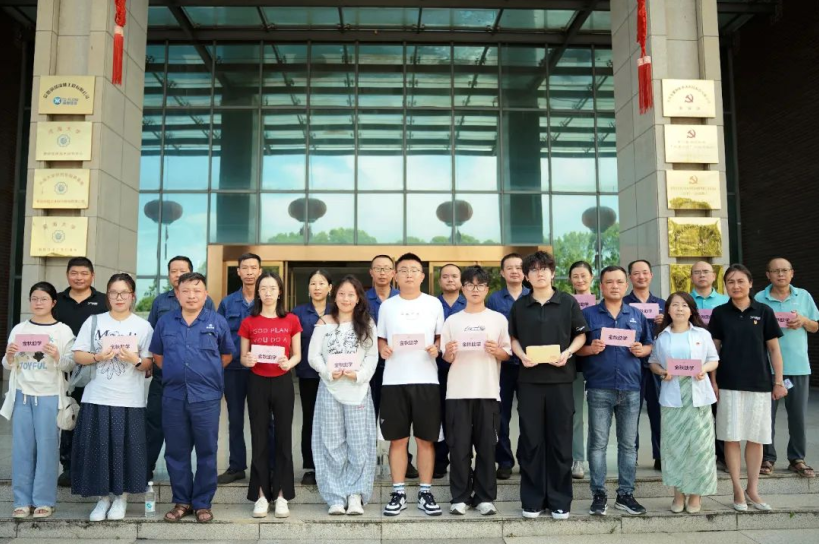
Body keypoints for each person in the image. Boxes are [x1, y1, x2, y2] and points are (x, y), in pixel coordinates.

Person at [508, 251, 588, 519]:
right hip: (529, 382)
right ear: (527, 276)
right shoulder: (520, 306)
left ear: (553, 273)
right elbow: (513, 338)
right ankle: (532, 500)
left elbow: (581, 335)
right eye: (534, 269)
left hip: (560, 381)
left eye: (544, 269)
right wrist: (521, 355)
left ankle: (559, 500)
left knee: (560, 441)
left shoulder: (567, 302)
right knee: (531, 441)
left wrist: (568, 353)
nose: (539, 273)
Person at [149, 272, 233, 523]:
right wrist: (176, 372)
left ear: (205, 294)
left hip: (206, 398)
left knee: (207, 451)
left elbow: (226, 355)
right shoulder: (166, 322)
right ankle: (182, 501)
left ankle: (203, 503)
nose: (191, 295)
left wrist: (207, 372)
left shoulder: (217, 322)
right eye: (186, 290)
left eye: (197, 291)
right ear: (177, 294)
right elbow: (158, 356)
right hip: (174, 396)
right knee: (176, 451)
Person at [71, 273, 154, 522]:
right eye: (114, 293)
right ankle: (102, 498)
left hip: (129, 399)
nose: (119, 297)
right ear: (107, 296)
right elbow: (78, 354)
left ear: (132, 296)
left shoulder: (143, 326)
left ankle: (121, 498)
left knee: (125, 450)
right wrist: (98, 357)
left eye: (124, 292)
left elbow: (149, 364)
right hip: (97, 396)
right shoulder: (94, 321)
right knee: (99, 449)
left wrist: (135, 359)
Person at [709, 264, 787, 511]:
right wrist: (713, 381)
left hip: (759, 384)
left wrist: (778, 381)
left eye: (740, 281)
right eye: (730, 282)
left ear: (750, 283)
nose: (736, 286)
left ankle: (752, 489)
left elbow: (774, 350)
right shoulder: (720, 313)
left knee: (756, 437)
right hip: (729, 384)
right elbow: (714, 351)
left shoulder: (764, 311)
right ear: (725, 286)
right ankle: (736, 490)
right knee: (731, 438)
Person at [579, 265, 653, 517]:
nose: (614, 286)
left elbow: (649, 345)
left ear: (626, 285)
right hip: (599, 387)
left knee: (628, 445)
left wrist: (642, 350)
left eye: (619, 282)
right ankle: (598, 494)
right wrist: (591, 349)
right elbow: (576, 348)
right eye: (609, 282)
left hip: (631, 387)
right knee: (598, 444)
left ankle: (625, 494)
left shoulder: (636, 315)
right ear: (601, 286)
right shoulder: (588, 315)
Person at [378, 252, 445, 517]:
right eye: (403, 270)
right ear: (395, 275)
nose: (408, 274)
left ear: (422, 276)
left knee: (426, 439)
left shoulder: (433, 304)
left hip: (426, 380)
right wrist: (382, 349)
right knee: (398, 440)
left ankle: (425, 492)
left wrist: (436, 347)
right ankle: (398, 493)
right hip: (394, 380)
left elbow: (440, 337)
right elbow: (381, 338)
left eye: (414, 270)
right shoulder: (387, 306)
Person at [442, 266, 511, 516]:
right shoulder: (452, 320)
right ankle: (459, 497)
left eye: (480, 285)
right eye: (470, 285)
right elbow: (446, 357)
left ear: (487, 289)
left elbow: (507, 353)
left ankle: (485, 497)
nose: (475, 289)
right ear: (463, 288)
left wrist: (497, 351)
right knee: (459, 448)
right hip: (457, 392)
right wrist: (449, 353)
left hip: (488, 391)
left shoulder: (498, 319)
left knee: (486, 447)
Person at [2, 282, 75, 519]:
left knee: (47, 450)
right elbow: (7, 364)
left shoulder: (63, 331)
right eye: (34, 298)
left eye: (43, 299)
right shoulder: (20, 328)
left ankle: (44, 501)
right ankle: (22, 501)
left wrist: (57, 355)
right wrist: (9, 356)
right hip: (22, 395)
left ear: (53, 302)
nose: (38, 303)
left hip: (50, 396)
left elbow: (70, 365)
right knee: (22, 449)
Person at [308, 275, 378, 515]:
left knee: (359, 443)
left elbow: (372, 356)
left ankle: (355, 494)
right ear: (334, 296)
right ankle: (335, 497)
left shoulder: (367, 323)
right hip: (330, 389)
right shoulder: (324, 322)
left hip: (358, 390)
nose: (346, 299)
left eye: (351, 294)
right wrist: (328, 372)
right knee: (332, 443)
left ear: (358, 298)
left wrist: (359, 375)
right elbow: (313, 356)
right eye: (341, 294)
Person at [146, 256, 215, 483]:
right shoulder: (160, 302)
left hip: (199, 384)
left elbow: (218, 345)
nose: (177, 274)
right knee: (155, 422)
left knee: (199, 436)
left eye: (182, 270)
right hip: (165, 379)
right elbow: (153, 337)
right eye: (173, 271)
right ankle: (146, 467)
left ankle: (198, 492)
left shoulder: (207, 303)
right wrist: (163, 366)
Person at [648, 292, 719, 514]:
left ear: (691, 310)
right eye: (675, 305)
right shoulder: (662, 337)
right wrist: (662, 372)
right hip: (673, 397)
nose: (679, 309)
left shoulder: (702, 334)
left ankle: (696, 494)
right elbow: (653, 362)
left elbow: (714, 360)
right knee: (675, 447)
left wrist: (703, 369)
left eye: (684, 305)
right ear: (668, 310)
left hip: (698, 396)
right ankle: (678, 494)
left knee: (699, 447)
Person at [239, 272, 302, 519]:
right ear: (258, 292)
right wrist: (247, 360)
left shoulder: (291, 320)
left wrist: (289, 363)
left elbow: (297, 354)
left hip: (283, 381)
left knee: (284, 438)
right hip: (257, 382)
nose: (267, 292)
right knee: (259, 438)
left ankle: (283, 495)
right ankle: (262, 495)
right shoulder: (249, 322)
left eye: (272, 288)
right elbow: (243, 357)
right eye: (263, 288)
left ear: (279, 292)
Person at [756, 258, 818, 479]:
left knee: (797, 416)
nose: (780, 274)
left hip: (798, 366)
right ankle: (767, 457)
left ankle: (797, 458)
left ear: (792, 273)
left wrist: (803, 321)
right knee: (766, 416)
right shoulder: (759, 298)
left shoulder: (804, 296)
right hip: (767, 367)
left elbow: (815, 326)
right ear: (768, 275)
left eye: (784, 270)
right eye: (775, 271)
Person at [54, 257, 108, 487]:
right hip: (64, 368)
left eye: (84, 273)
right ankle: (68, 466)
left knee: (93, 416)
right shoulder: (56, 300)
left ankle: (94, 465)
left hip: (97, 367)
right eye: (74, 273)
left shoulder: (104, 301)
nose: (79, 278)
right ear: (67, 275)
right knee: (69, 414)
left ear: (92, 276)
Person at [216, 252, 269, 485]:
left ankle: (266, 465)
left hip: (262, 369)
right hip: (234, 369)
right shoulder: (227, 303)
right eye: (244, 268)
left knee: (263, 419)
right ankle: (236, 466)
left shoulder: (267, 300)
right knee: (235, 419)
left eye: (253, 268)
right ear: (238, 272)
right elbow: (218, 336)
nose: (249, 272)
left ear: (260, 271)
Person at [365, 254, 418, 479]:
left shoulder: (403, 298)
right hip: (369, 366)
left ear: (394, 273)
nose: (382, 273)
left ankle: (405, 460)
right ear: (371, 272)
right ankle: (366, 462)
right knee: (368, 415)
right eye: (378, 268)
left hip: (400, 366)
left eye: (387, 268)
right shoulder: (362, 299)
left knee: (401, 415)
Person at [487, 253, 530, 481]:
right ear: (502, 273)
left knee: (528, 415)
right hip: (502, 365)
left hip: (529, 364)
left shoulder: (533, 296)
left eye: (519, 267)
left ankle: (526, 459)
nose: (514, 271)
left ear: (525, 272)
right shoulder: (493, 300)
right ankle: (504, 461)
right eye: (510, 268)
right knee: (500, 416)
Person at [292, 270, 332, 487]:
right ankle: (310, 466)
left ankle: (331, 465)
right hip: (308, 374)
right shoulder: (298, 313)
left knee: (332, 420)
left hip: (335, 375)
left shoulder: (338, 310)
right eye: (313, 283)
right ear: (308, 288)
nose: (317, 287)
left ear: (330, 288)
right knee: (310, 419)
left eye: (322, 283)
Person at [623, 259, 664, 471]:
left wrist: (665, 322)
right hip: (631, 364)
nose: (641, 276)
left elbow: (675, 330)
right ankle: (632, 455)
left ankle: (661, 455)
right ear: (630, 277)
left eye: (645, 272)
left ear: (651, 275)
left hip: (657, 364)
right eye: (637, 273)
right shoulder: (623, 303)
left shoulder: (662, 304)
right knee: (630, 413)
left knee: (659, 411)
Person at [689, 261, 729, 472]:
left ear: (714, 276)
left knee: (721, 411)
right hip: (692, 364)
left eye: (706, 272)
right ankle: (701, 454)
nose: (702, 275)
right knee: (698, 413)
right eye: (697, 272)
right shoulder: (684, 301)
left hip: (722, 360)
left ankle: (722, 455)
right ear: (691, 277)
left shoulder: (726, 301)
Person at [434, 264, 466, 479]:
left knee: (460, 418)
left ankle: (460, 461)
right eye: (445, 276)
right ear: (439, 281)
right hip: (435, 369)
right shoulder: (431, 305)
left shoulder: (470, 303)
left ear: (461, 281)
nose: (450, 279)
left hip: (464, 369)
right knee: (438, 416)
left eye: (454, 276)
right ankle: (439, 461)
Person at [568, 260, 594, 479]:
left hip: (598, 366)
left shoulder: (603, 303)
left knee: (599, 415)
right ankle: (577, 458)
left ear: (591, 278)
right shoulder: (565, 303)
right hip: (574, 365)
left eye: (583, 276)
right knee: (576, 414)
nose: (580, 280)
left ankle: (596, 458)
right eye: (575, 276)